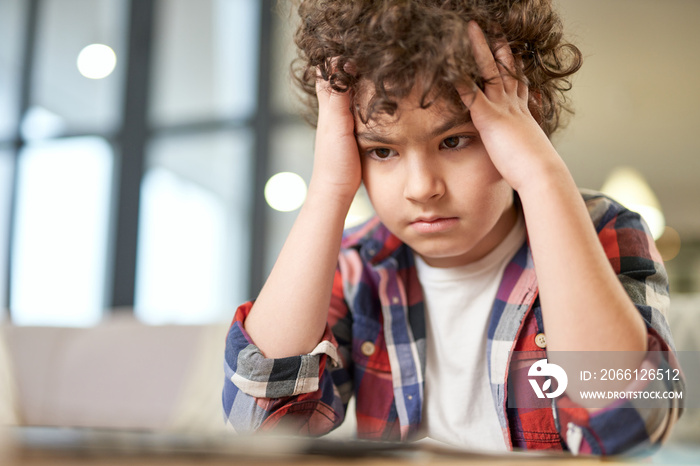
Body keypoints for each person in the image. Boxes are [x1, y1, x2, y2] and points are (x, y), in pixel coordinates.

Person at [223, 0, 682, 455]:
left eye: (455, 140)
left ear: (526, 121)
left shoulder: (606, 229)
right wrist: (327, 189)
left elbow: (630, 425)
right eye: (382, 151)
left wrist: (542, 175)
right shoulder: (360, 263)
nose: (422, 188)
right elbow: (259, 421)